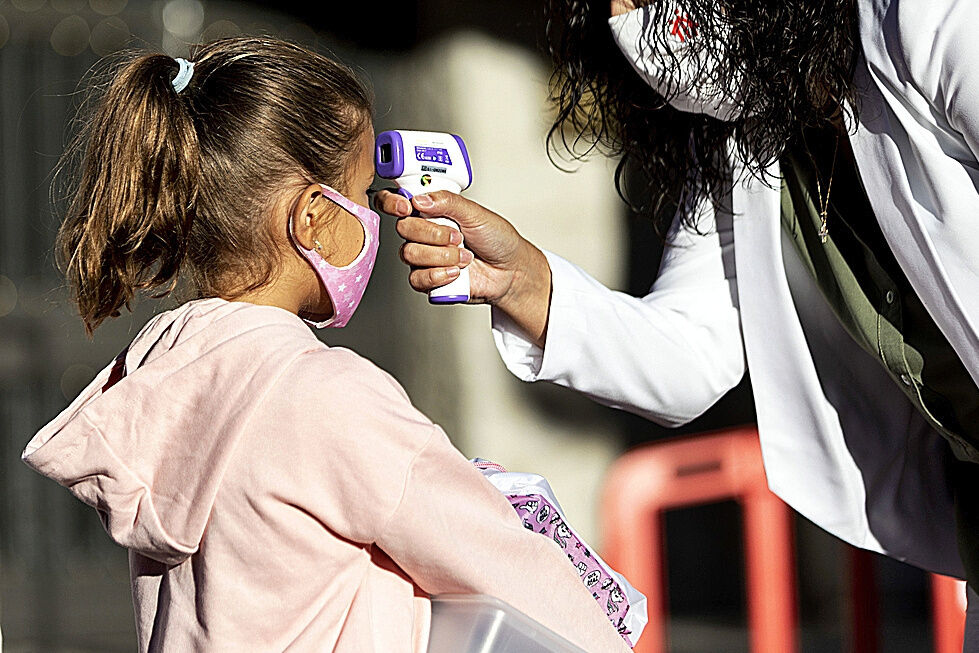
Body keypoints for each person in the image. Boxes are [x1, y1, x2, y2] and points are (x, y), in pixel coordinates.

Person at [380, 0, 979, 646]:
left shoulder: (923, 18)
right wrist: (525, 282)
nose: (624, 13)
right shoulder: (740, 133)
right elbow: (689, 356)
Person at [20, 38, 632, 653]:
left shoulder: (158, 374)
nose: (376, 215)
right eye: (363, 195)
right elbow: (503, 564)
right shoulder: (328, 399)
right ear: (311, 216)